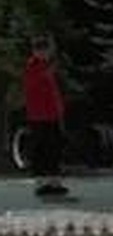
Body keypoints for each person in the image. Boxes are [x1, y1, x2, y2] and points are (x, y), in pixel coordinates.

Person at [22, 36, 69, 198]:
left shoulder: (47, 67)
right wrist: (46, 74)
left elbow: (54, 92)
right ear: (36, 51)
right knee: (41, 148)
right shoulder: (32, 66)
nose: (45, 53)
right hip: (39, 114)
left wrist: (59, 109)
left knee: (54, 147)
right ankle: (42, 181)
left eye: (46, 50)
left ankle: (54, 181)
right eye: (41, 50)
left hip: (51, 114)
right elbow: (32, 84)